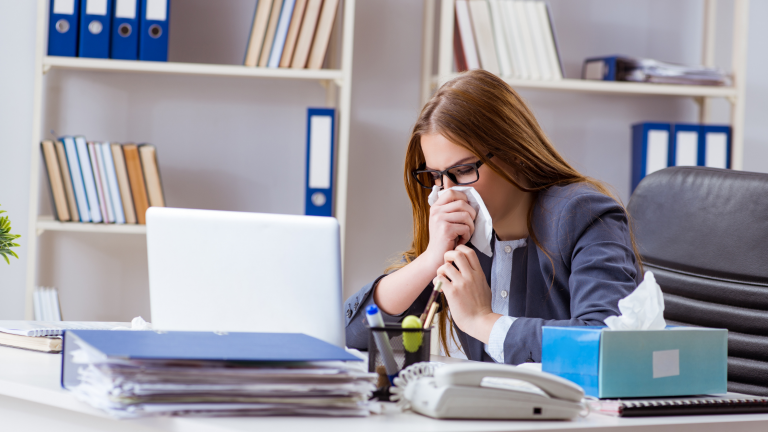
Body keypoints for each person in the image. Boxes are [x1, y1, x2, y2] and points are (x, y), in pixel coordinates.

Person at [344, 70, 641, 364]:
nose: (447, 193)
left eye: (462, 171)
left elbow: (605, 342)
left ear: (514, 153)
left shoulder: (585, 215)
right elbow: (355, 336)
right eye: (436, 177)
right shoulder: (462, 235)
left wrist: (482, 320)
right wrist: (431, 259)